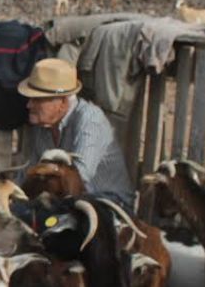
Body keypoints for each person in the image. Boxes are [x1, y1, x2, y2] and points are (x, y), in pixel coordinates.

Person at [18, 58, 134, 209]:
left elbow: (79, 177)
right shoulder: (42, 125)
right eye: (31, 99)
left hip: (110, 202)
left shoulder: (90, 120)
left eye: (38, 100)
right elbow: (30, 171)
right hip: (70, 201)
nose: (29, 105)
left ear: (63, 102)